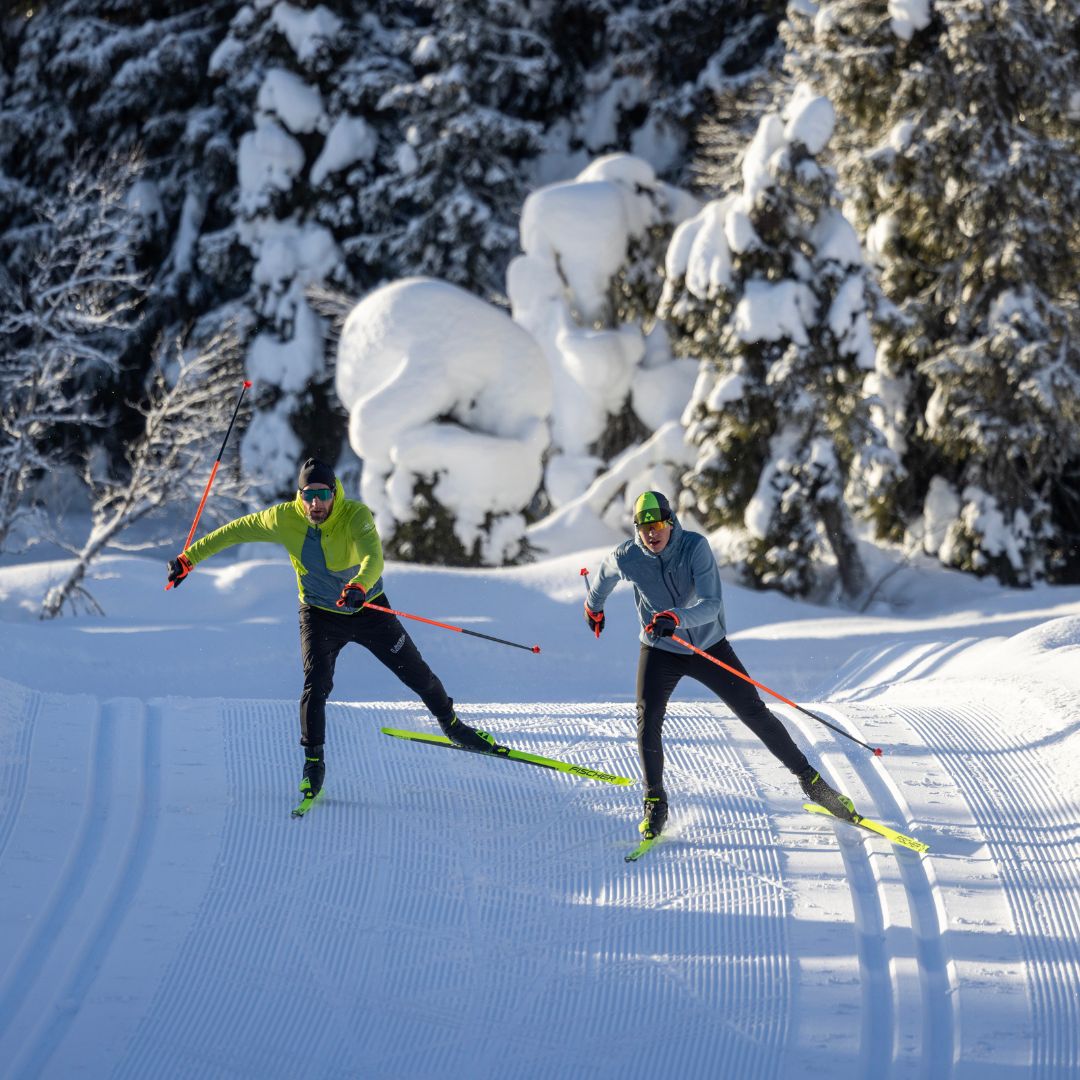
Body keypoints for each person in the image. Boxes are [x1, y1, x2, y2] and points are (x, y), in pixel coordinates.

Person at [167, 457, 500, 801]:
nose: (315, 503)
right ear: (300, 495)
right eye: (308, 494)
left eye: (322, 494)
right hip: (319, 614)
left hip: (367, 607)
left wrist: (358, 585)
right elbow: (233, 531)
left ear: (334, 492)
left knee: (417, 673)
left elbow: (374, 557)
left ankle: (453, 726)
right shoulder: (284, 518)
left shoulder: (355, 515)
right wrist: (189, 560)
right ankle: (313, 763)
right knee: (316, 685)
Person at [584, 490, 855, 840]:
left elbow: (711, 604)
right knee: (647, 717)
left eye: (657, 524)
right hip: (660, 648)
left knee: (754, 711)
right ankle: (655, 800)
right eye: (644, 527)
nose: (652, 533)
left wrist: (674, 617)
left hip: (708, 645)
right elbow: (605, 575)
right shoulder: (629, 556)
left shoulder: (694, 547)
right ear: (637, 529)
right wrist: (594, 607)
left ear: (670, 521)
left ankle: (812, 782)